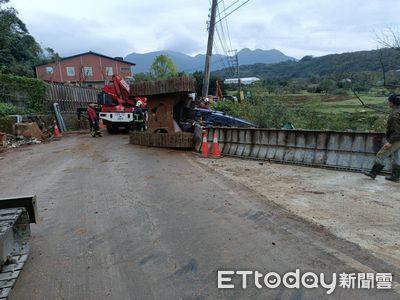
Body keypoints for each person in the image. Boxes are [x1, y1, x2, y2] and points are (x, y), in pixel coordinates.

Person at [364, 94, 400, 182]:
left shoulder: (395, 114)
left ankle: (373, 173)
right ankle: (395, 176)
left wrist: (390, 142)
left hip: (396, 138)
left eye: (389, 101)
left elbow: (396, 130)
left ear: (393, 103)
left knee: (381, 154)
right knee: (397, 156)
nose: (388, 103)